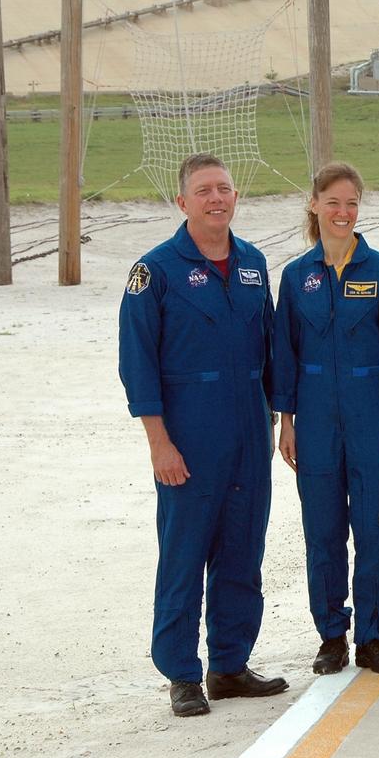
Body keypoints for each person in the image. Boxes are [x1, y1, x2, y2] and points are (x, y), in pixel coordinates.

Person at [119, 153, 287, 717]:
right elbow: (137, 363)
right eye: (204, 190)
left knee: (243, 551)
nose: (216, 199)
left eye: (224, 188)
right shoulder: (155, 271)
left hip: (248, 431)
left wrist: (281, 420)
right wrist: (158, 442)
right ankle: (182, 674)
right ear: (182, 201)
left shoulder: (252, 264)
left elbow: (270, 352)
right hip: (188, 435)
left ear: (236, 196)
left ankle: (229, 665)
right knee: (185, 555)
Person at [273, 162, 379, 676]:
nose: (343, 212)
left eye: (352, 203)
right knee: (324, 531)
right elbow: (284, 353)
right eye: (333, 202)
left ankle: (374, 637)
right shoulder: (295, 278)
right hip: (314, 420)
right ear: (314, 205)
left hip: (372, 417)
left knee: (378, 528)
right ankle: (331, 634)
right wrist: (285, 418)